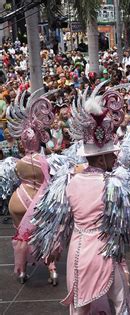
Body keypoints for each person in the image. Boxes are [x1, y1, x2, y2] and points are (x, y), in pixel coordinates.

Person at [30, 83, 130, 314]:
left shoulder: (69, 180)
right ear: (101, 159)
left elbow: (59, 222)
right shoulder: (113, 184)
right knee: (121, 303)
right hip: (104, 251)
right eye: (111, 155)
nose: (114, 159)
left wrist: (53, 245)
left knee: (79, 306)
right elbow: (127, 227)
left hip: (78, 250)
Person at [3, 89, 58, 284]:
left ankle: (21, 271)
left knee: (21, 234)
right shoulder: (47, 161)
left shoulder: (17, 162)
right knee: (47, 233)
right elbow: (50, 181)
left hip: (18, 199)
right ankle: (52, 270)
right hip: (39, 201)